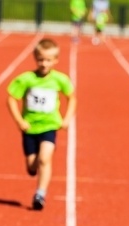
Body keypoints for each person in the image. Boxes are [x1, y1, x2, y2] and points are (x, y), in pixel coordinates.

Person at [6, 38, 77, 211]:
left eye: (48, 60)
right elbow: (11, 98)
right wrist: (19, 120)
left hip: (49, 126)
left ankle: (40, 193)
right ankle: (33, 166)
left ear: (56, 60)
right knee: (32, 165)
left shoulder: (60, 80)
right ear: (35, 58)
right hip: (30, 128)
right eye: (41, 59)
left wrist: (67, 118)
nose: (44, 63)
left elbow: (72, 98)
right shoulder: (26, 79)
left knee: (45, 158)